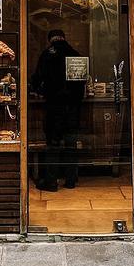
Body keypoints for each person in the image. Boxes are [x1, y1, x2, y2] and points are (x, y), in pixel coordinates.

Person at [31, 29, 84, 191]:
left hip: (54, 106)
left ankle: (51, 182)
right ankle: (70, 180)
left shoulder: (47, 55)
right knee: (71, 144)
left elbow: (36, 79)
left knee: (53, 144)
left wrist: (38, 90)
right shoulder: (75, 54)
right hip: (73, 107)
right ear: (64, 37)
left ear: (50, 39)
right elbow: (81, 83)